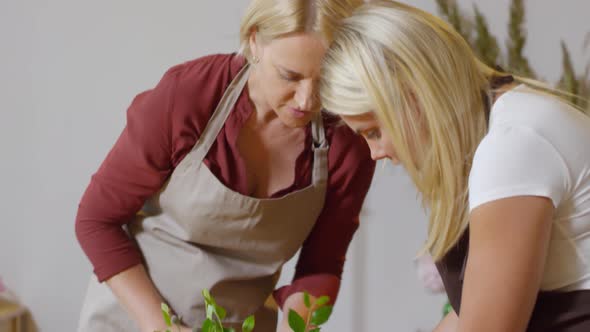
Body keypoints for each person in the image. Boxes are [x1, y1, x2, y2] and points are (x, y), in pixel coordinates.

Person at [75, 1, 375, 331]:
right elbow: (96, 220)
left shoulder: (347, 142)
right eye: (290, 76)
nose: (307, 100)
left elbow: (321, 265)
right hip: (134, 319)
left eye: (325, 79)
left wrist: (297, 326)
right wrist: (159, 326)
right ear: (255, 41)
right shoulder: (188, 96)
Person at [319, 1, 590, 331]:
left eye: (375, 132)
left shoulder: (512, 147)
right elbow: (469, 316)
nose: (375, 153)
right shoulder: (500, 119)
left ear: (416, 95)